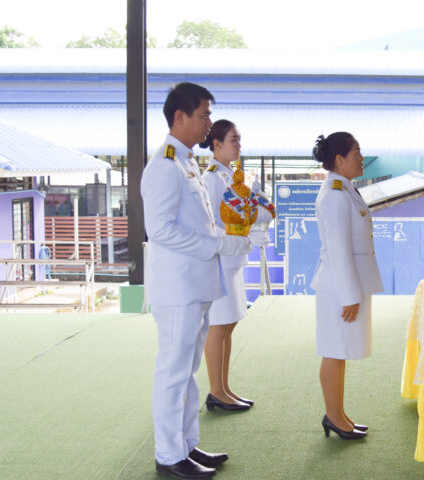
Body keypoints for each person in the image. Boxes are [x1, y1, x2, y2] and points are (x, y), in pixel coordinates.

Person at [141, 82, 251, 479]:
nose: (208, 123)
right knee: (173, 372)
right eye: (204, 115)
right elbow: (161, 230)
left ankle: (186, 445)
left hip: (194, 286)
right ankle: (169, 455)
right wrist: (217, 244)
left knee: (186, 371)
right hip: (177, 289)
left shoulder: (185, 162)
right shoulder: (164, 166)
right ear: (180, 117)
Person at [310, 132, 383, 440]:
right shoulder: (334, 195)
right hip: (338, 288)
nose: (361, 157)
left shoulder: (344, 189)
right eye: (356, 152)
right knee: (333, 351)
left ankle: (339, 415)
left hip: (345, 285)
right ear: (339, 160)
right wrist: (350, 296)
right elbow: (338, 248)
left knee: (339, 352)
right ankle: (333, 416)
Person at [200, 119, 267, 412]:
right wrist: (236, 237)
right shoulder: (213, 178)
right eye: (233, 140)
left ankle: (224, 387)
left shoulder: (231, 176)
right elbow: (211, 222)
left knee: (229, 324)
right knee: (218, 325)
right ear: (216, 145)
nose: (239, 145)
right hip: (221, 260)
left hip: (234, 259)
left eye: (239, 140)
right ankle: (216, 391)